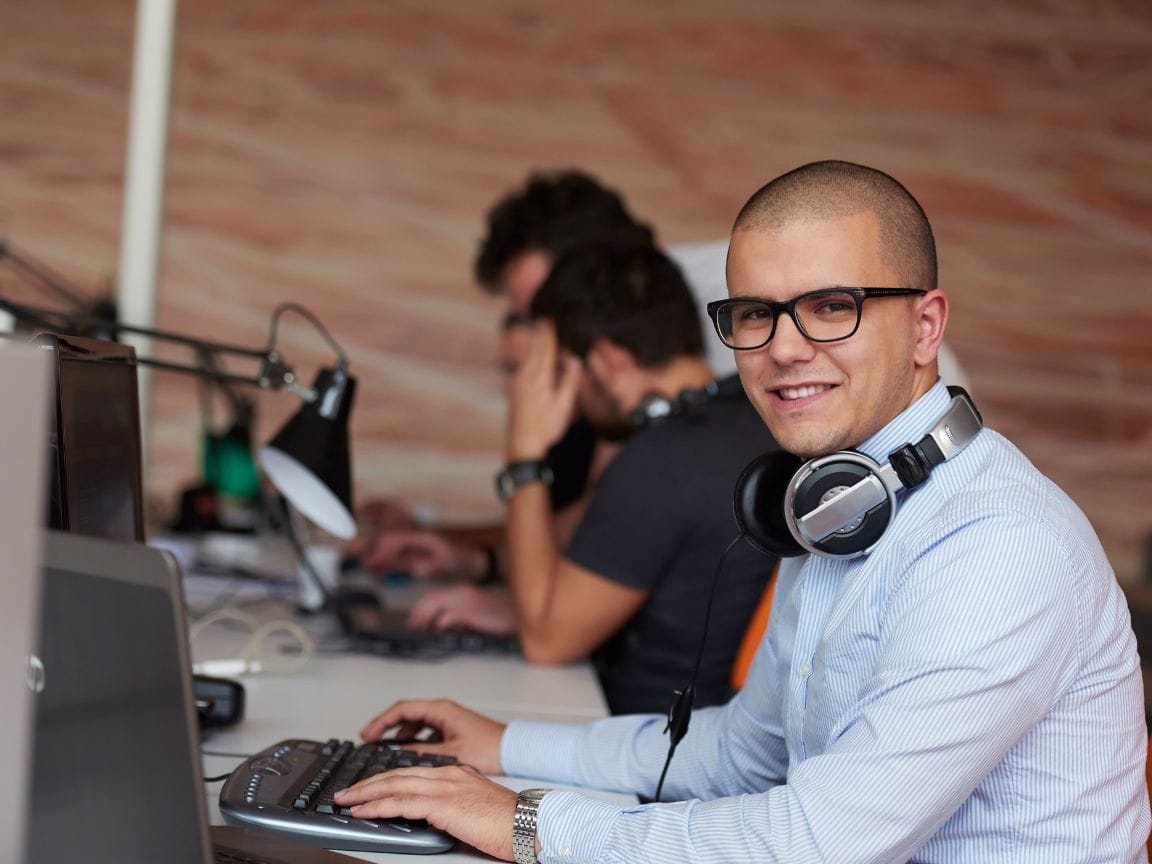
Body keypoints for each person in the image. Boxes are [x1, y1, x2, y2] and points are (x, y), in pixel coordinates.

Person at [333, 160, 1150, 862]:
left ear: (926, 326)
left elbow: (814, 842)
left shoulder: (1000, 549)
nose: (784, 347)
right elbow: (736, 756)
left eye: (833, 305)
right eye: (755, 315)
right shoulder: (835, 506)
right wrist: (504, 745)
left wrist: (527, 820)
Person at [419, 243, 778, 715]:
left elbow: (546, 641)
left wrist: (525, 454)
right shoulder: (751, 424)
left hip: (646, 752)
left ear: (607, 360)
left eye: (559, 370)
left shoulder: (661, 458)